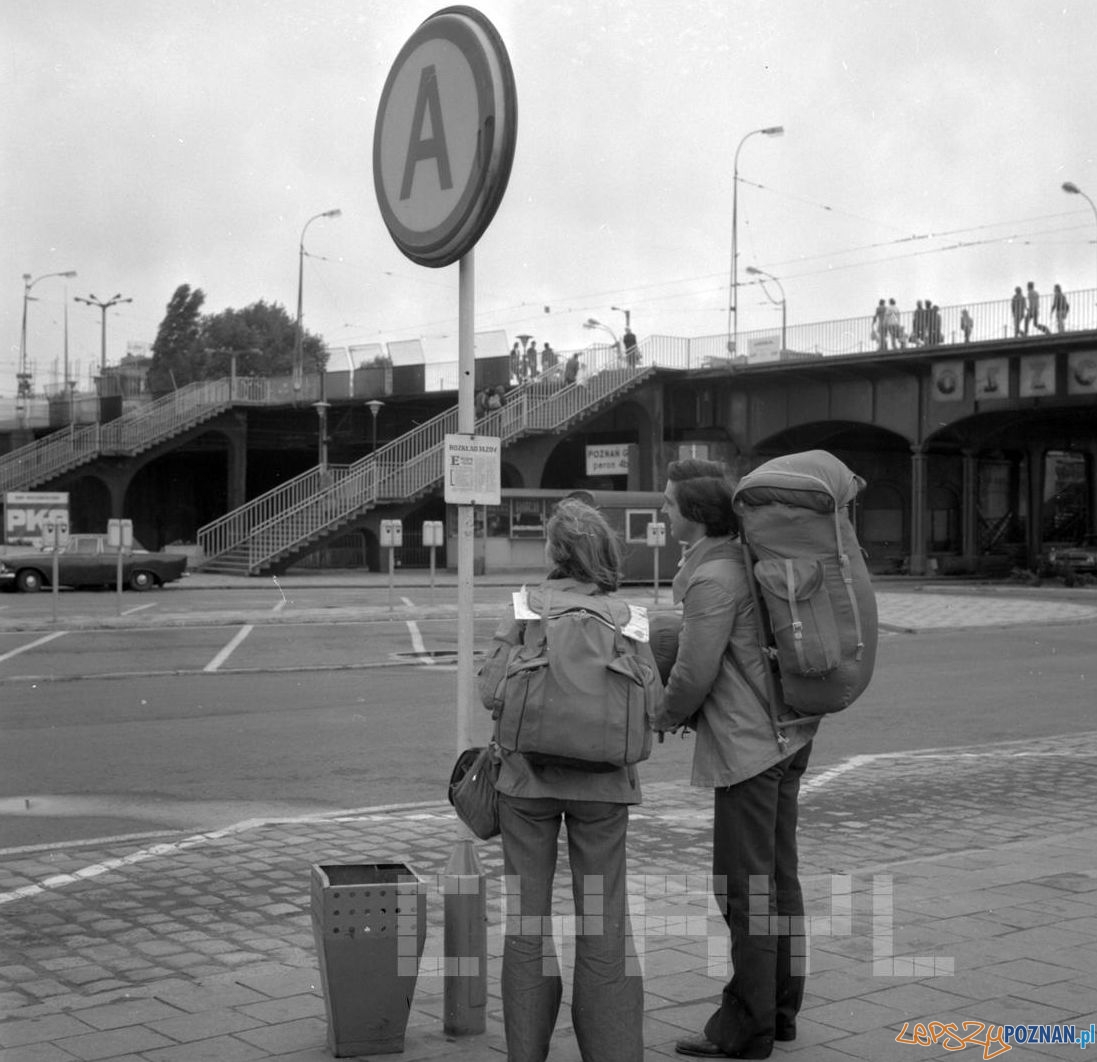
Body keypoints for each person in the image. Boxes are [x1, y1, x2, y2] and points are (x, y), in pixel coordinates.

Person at [653, 459, 818, 1061]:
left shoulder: (712, 578)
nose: (663, 513)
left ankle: (746, 1029)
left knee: (746, 891)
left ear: (695, 514)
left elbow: (694, 671)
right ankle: (780, 1010)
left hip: (751, 748)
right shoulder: (742, 558)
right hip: (790, 734)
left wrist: (661, 716)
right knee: (779, 881)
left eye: (669, 504)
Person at [478, 497, 649, 1062]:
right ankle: (613, 1051)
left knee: (526, 921)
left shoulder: (527, 607)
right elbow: (654, 700)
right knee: (603, 921)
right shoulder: (628, 616)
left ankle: (526, 1053)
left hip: (526, 785)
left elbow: (491, 690)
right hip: (603, 791)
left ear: (554, 552)